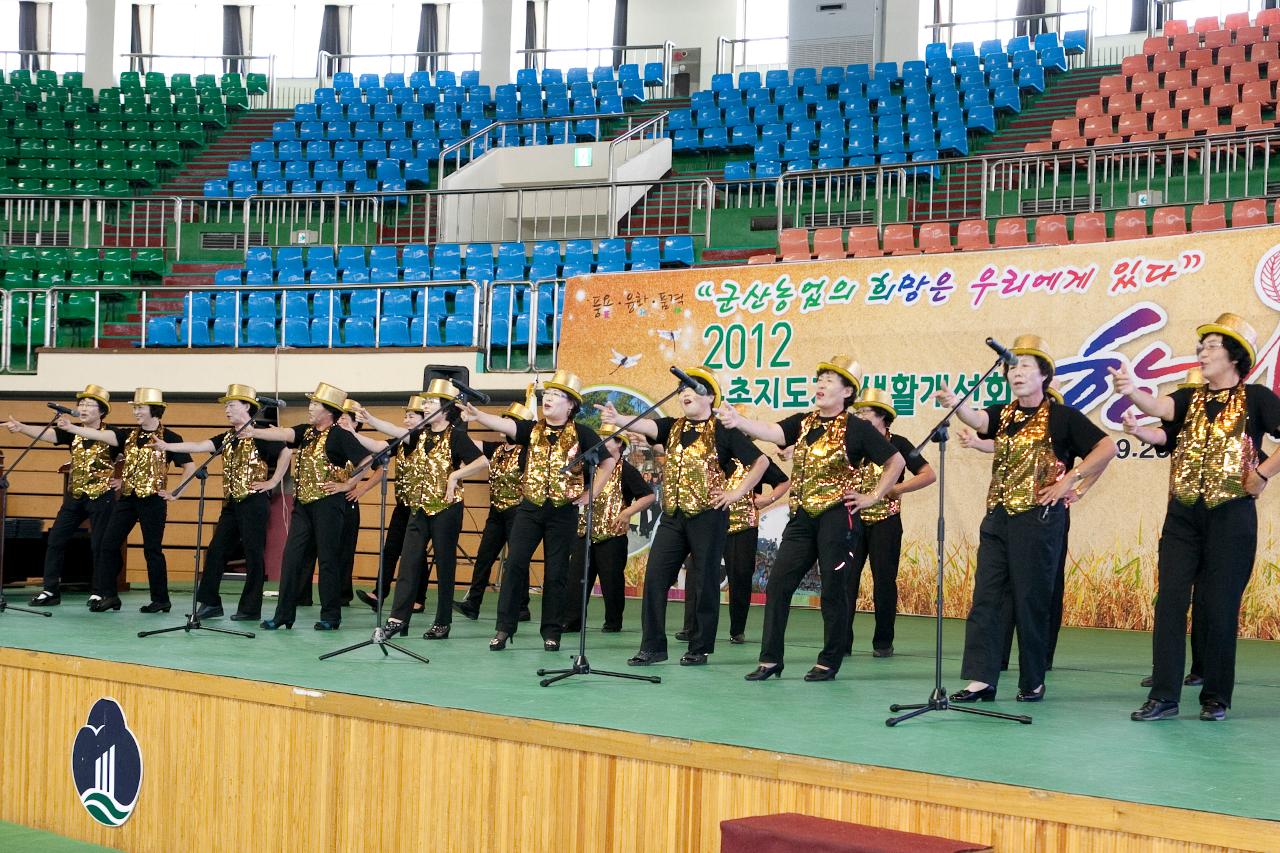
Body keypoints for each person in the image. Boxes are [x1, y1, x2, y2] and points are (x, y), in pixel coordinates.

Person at [1113, 314, 1280, 722]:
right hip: (1183, 516)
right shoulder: (1190, 398)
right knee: (1169, 601)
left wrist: (1261, 473)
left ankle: (1216, 696)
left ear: (1234, 356)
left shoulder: (1257, 398)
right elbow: (1162, 412)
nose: (1202, 353)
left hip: (1232, 516)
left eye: (1210, 347)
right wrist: (1134, 394)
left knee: (1218, 606)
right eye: (1201, 346)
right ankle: (1164, 695)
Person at [938, 336, 1116, 704]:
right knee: (986, 597)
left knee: (1031, 599)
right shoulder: (1004, 413)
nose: (1016, 374)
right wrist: (957, 404)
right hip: (998, 517)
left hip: (1039, 519)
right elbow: (977, 418)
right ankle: (981, 680)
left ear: (1044, 376)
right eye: (1012, 368)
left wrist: (1071, 481)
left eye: (1025, 368)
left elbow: (1107, 447)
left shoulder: (1062, 417)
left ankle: (1033, 679)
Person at [717, 356, 904, 682]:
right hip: (802, 518)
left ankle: (829, 660)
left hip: (837, 518)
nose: (821, 385)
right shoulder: (803, 422)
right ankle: (771, 659)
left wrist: (873, 496)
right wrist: (739, 422)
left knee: (834, 589)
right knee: (778, 584)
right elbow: (773, 431)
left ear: (847, 391)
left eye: (830, 381)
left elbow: (896, 461)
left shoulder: (857, 428)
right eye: (820, 379)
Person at [599, 367, 767, 667]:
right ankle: (653, 647)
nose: (686, 392)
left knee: (704, 582)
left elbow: (761, 461)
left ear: (711, 398)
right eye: (682, 388)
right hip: (673, 516)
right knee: (654, 578)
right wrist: (619, 419)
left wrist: (736, 492)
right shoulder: (672, 426)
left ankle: (699, 647)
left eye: (694, 387)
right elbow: (648, 427)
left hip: (708, 516)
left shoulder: (723, 431)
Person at [461, 370, 612, 652]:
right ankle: (504, 628)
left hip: (563, 511)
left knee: (556, 572)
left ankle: (551, 631)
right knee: (515, 564)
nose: (549, 399)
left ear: (571, 406)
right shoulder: (532, 430)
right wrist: (479, 416)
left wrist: (593, 492)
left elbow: (608, 462)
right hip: (529, 508)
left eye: (556, 395)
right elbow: (507, 427)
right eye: (548, 395)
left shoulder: (583, 433)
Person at [352, 380, 487, 639]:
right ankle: (397, 619)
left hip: (447, 509)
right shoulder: (419, 434)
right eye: (425, 402)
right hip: (419, 508)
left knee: (445, 565)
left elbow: (481, 461)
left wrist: (455, 475)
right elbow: (394, 430)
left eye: (430, 402)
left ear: (445, 409)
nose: (424, 406)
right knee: (409, 562)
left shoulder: (456, 436)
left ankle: (442, 622)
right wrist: (370, 418)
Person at [152, 385, 291, 622]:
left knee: (253, 554)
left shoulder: (261, 432)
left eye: (231, 405)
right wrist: (168, 447)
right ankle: (211, 602)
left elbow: (286, 453)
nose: (226, 409)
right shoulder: (228, 437)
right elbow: (198, 446)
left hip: (254, 501)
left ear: (247, 406)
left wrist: (272, 482)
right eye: (226, 405)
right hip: (232, 503)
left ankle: (250, 608)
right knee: (216, 551)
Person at [57, 387, 196, 613]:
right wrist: (72, 428)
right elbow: (101, 435)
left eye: (140, 408)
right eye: (135, 408)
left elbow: (189, 466)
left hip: (152, 500)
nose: (136, 412)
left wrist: (176, 492)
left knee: (152, 550)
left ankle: (161, 599)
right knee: (107, 545)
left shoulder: (170, 438)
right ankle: (109, 595)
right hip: (128, 499)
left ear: (154, 410)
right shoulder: (126, 435)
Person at [247, 382, 372, 631]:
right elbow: (283, 434)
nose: (310, 408)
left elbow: (367, 460)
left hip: (329, 505)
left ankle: (331, 615)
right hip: (303, 505)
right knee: (291, 558)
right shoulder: (307, 432)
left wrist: (348, 484)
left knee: (328, 560)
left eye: (315, 404)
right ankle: (284, 614)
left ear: (328, 410)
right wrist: (253, 432)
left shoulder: (339, 434)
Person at [1123, 368, 1206, 690]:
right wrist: (1136, 430)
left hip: (1222, 523)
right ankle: (1166, 673)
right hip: (1183, 522)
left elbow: (1258, 460)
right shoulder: (1181, 424)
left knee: (1209, 603)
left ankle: (1203, 669)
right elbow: (1160, 437)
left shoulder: (1235, 427)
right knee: (1172, 598)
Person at [4, 385, 116, 606]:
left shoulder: (113, 432)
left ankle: (99, 590)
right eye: (80, 404)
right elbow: (47, 434)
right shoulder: (71, 432)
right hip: (75, 495)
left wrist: (122, 480)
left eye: (89, 405)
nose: (82, 408)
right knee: (55, 540)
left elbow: (121, 452)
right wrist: (22, 427)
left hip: (101, 496)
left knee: (99, 545)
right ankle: (50, 590)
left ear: (101, 411)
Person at [846, 386, 936, 657]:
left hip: (886, 520)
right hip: (854, 519)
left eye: (866, 412)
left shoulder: (899, 443)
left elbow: (928, 474)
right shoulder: (852, 440)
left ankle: (883, 642)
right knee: (846, 581)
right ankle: (841, 641)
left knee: (884, 581)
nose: (860, 417)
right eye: (857, 412)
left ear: (883, 416)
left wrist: (898, 489)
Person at [679, 457, 789, 645]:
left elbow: (784, 481)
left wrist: (767, 499)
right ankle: (691, 627)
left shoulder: (756, 458)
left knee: (740, 576)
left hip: (742, 526)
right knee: (697, 573)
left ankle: (737, 630)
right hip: (707, 523)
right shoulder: (709, 453)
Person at [562, 429, 656, 633]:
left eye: (608, 440)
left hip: (612, 534)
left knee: (611, 580)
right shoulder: (590, 469)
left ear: (619, 445)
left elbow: (648, 497)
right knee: (577, 578)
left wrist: (627, 512)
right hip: (583, 532)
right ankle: (572, 621)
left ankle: (613, 622)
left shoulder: (626, 470)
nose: (602, 443)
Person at [454, 397, 536, 622]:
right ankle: (473, 603)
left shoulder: (527, 452)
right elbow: (470, 443)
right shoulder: (496, 449)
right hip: (496, 512)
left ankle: (521, 607)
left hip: (517, 513)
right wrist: (456, 427)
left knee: (516, 559)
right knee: (484, 557)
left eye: (509, 421)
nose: (504, 424)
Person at [352, 395, 431, 612]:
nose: (406, 420)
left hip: (423, 507)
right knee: (391, 549)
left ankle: (419, 598)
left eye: (412, 416)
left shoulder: (424, 439)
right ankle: (379, 593)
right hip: (403, 505)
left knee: (417, 553)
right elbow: (378, 445)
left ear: (425, 419)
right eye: (406, 416)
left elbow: (390, 431)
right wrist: (352, 434)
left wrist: (371, 418)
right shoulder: (402, 442)